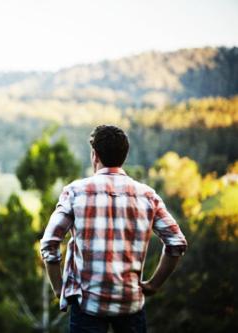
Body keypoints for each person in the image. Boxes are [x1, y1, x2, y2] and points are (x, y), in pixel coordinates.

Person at [40, 125, 187, 333]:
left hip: (87, 306)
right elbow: (176, 242)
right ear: (123, 157)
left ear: (95, 155)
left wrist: (58, 287)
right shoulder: (147, 196)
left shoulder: (75, 192)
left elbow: (50, 243)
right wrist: (154, 284)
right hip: (131, 306)